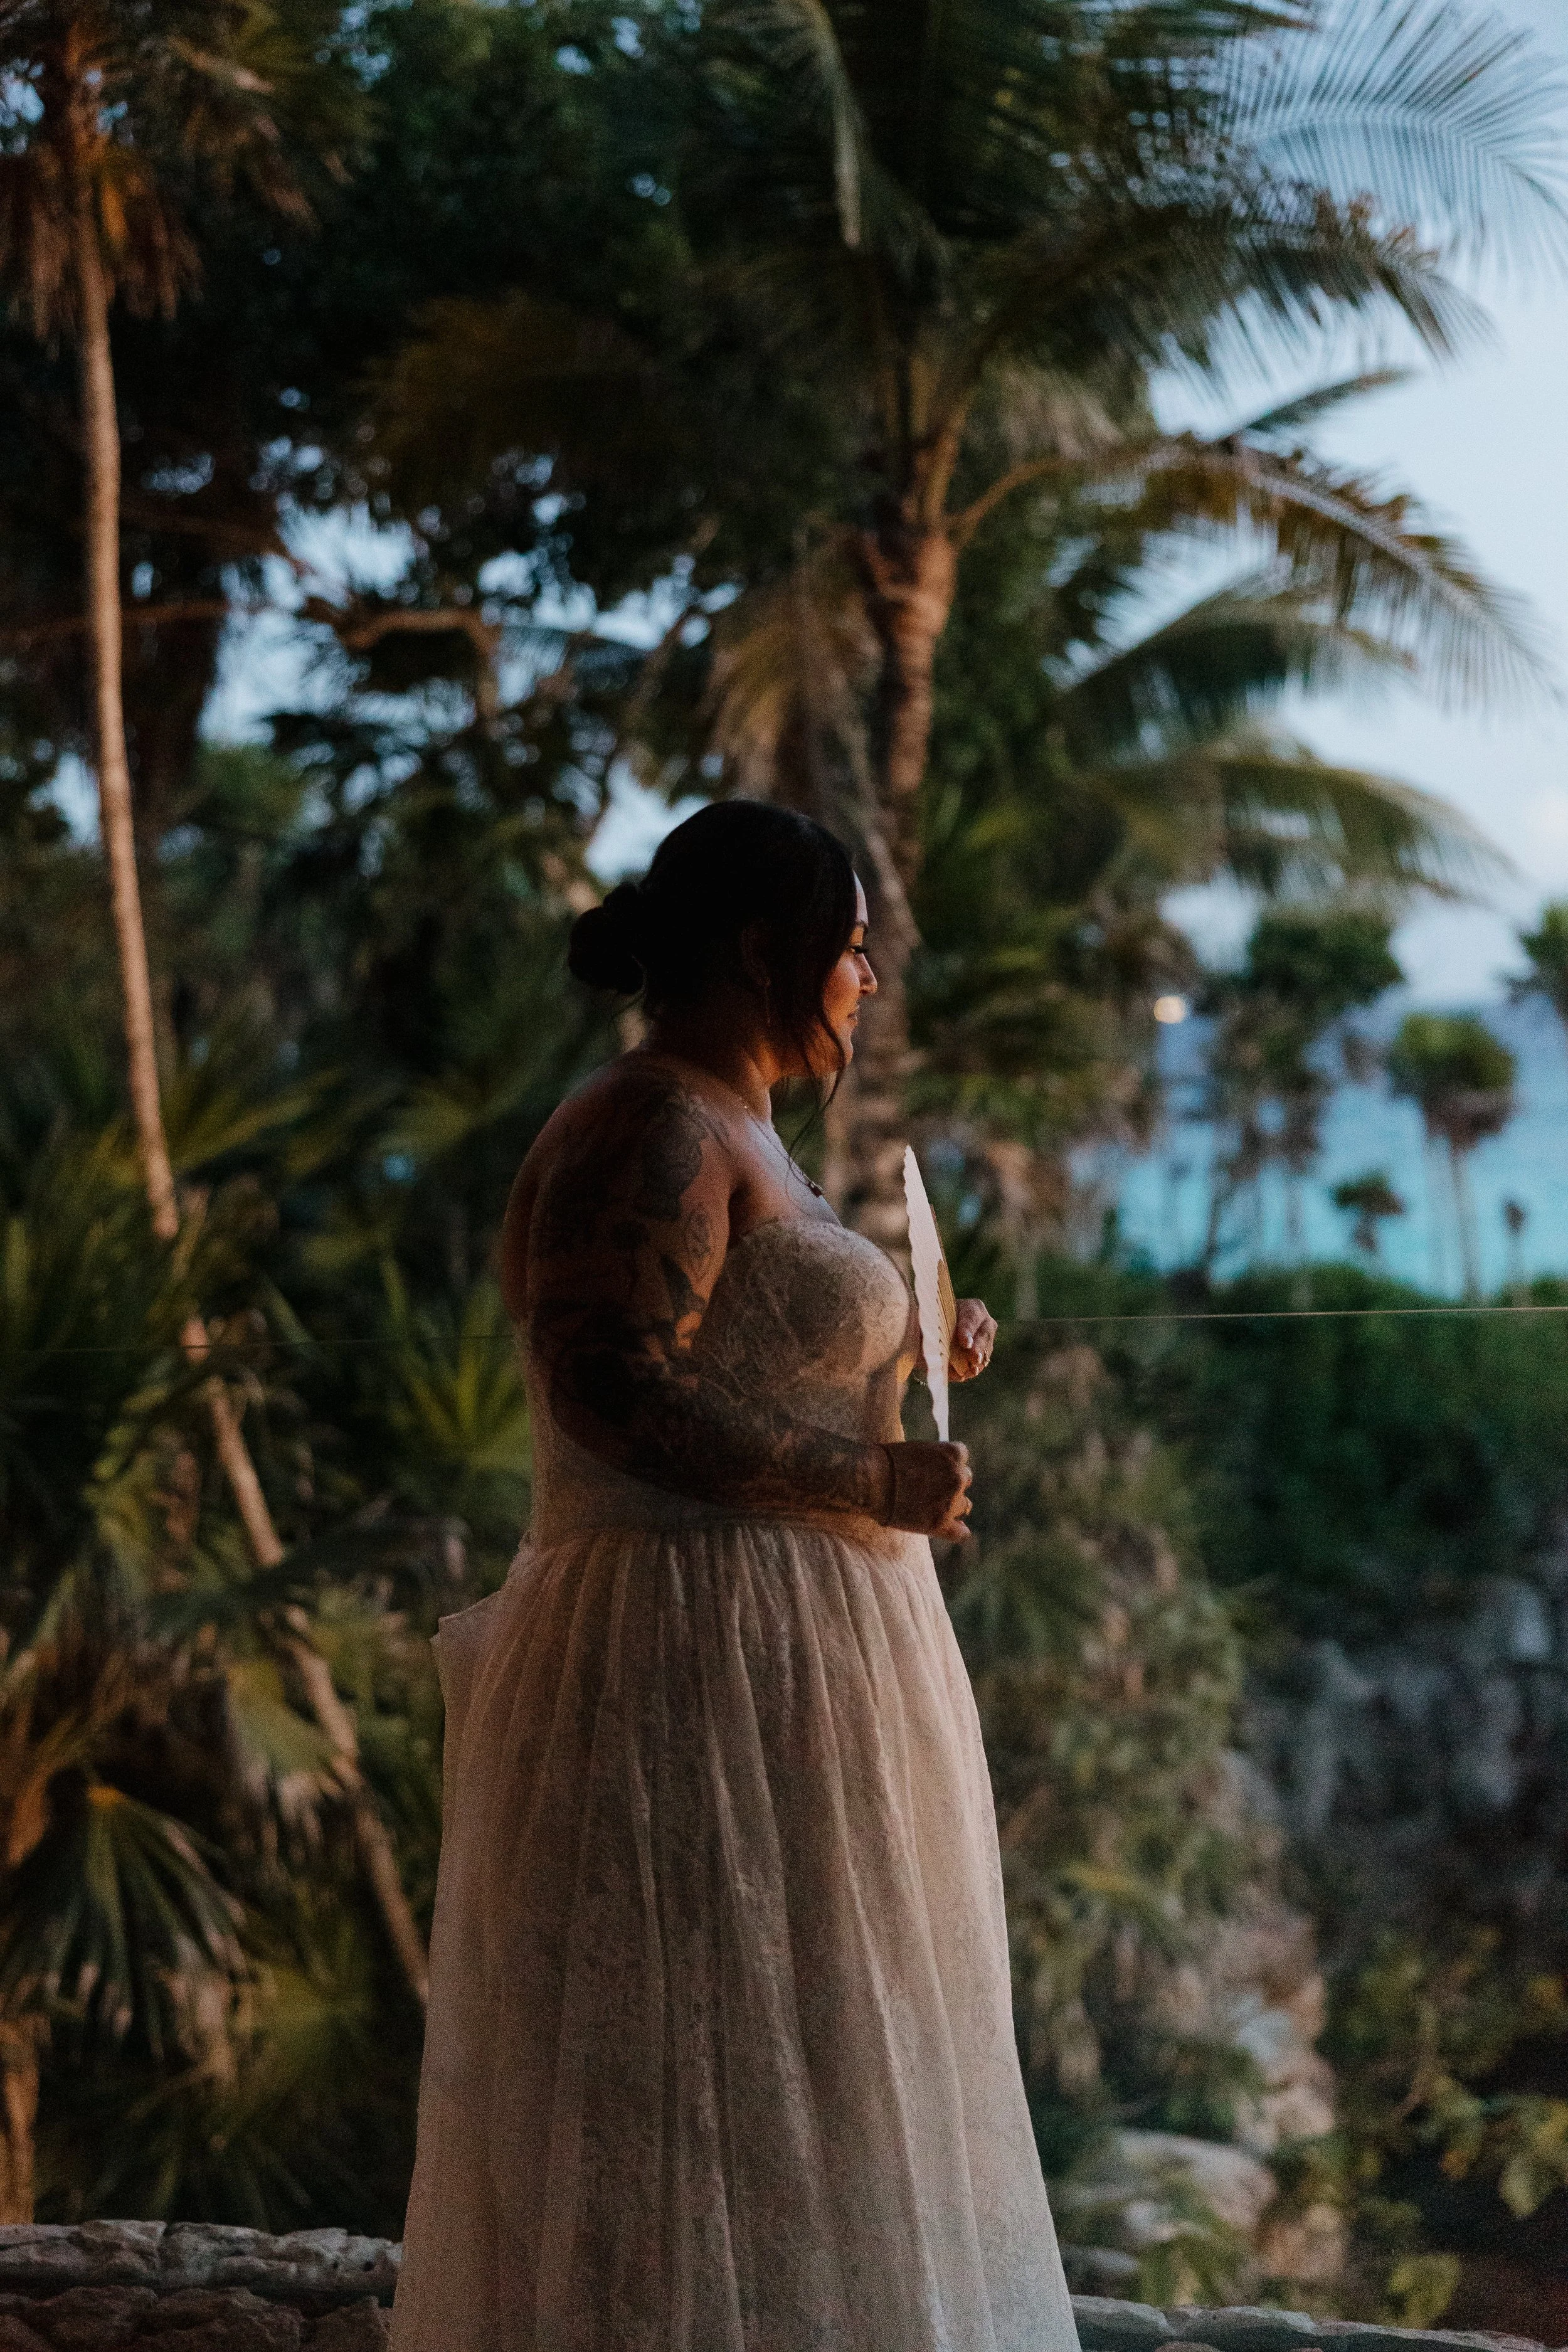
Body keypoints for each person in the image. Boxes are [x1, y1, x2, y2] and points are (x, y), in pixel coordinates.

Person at [391, 802, 1081, 2352]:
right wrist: (866, 1480)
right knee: (698, 2076)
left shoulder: (737, 1126)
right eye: (849, 950)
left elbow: (757, 1346)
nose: (866, 984)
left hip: (789, 1678)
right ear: (763, 952)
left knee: (817, 2082)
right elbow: (613, 1388)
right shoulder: (649, 1127)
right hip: (684, 1673)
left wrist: (914, 1346)